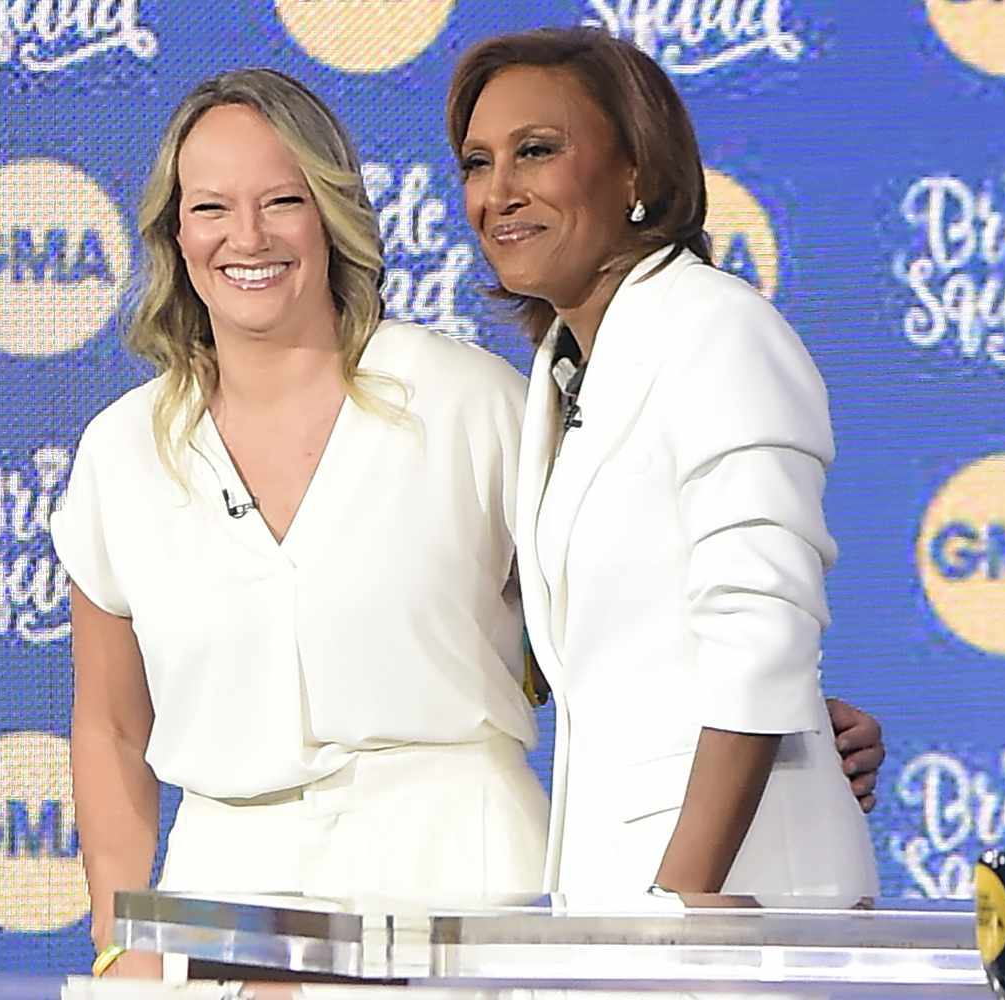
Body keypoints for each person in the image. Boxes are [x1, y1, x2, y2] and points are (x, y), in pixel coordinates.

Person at [53, 67, 885, 979]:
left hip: (463, 887)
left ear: (331, 212)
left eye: (282, 200)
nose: (246, 238)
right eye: (211, 207)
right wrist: (119, 945)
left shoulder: (472, 401)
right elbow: (110, 728)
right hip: (220, 904)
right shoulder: (121, 451)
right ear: (176, 230)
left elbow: (621, 612)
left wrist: (782, 726)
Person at [448, 28, 881, 900]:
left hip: (723, 895)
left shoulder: (717, 330)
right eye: (476, 162)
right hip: (618, 891)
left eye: (537, 151)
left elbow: (760, 634)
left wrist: (675, 911)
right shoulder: (565, 373)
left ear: (637, 172)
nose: (500, 192)